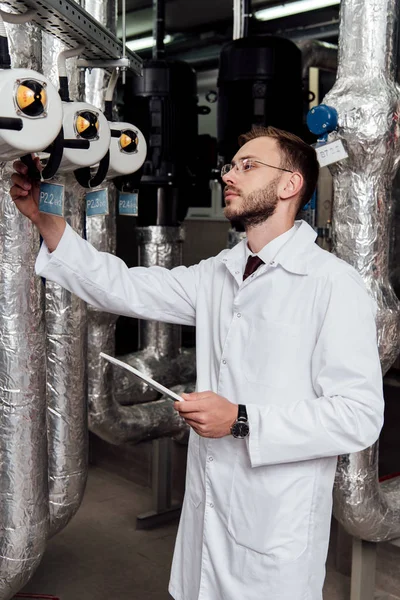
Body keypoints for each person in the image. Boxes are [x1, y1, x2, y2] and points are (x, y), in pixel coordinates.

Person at [10, 126, 384, 600]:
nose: (230, 175)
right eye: (230, 166)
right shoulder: (220, 271)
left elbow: (360, 416)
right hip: (208, 517)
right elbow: (126, 286)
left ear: (290, 184)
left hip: (274, 527)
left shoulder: (332, 284)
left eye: (249, 166)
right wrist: (47, 222)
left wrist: (241, 420)